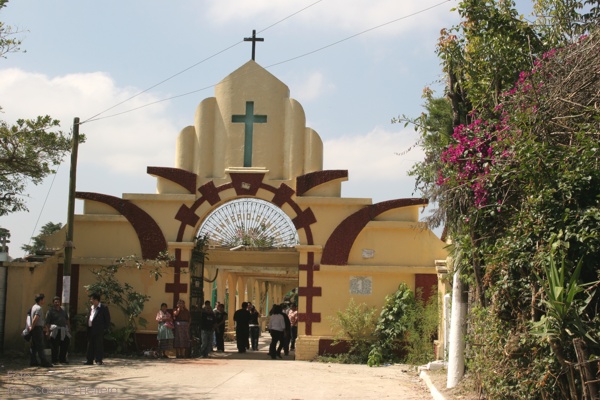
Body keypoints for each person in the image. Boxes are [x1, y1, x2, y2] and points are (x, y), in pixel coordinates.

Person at [85, 293, 111, 365]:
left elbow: (107, 319)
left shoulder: (103, 308)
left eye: (92, 299)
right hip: (90, 328)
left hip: (99, 329)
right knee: (90, 345)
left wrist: (104, 329)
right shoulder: (91, 307)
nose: (91, 301)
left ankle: (98, 360)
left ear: (96, 300)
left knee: (98, 344)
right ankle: (89, 360)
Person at [29, 293, 52, 367]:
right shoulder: (39, 308)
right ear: (40, 300)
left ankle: (33, 361)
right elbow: (36, 318)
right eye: (43, 299)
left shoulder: (33, 307)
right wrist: (32, 326)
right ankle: (44, 362)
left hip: (35, 328)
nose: (44, 301)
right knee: (40, 345)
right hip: (37, 328)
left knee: (34, 346)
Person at [45, 296, 71, 364]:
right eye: (55, 302)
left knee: (65, 344)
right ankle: (55, 360)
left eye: (58, 302)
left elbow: (67, 320)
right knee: (54, 346)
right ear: (53, 303)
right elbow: (47, 322)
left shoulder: (63, 311)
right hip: (55, 331)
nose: (57, 303)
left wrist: (69, 328)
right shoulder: (50, 311)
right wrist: (47, 331)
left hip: (63, 330)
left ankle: (62, 359)